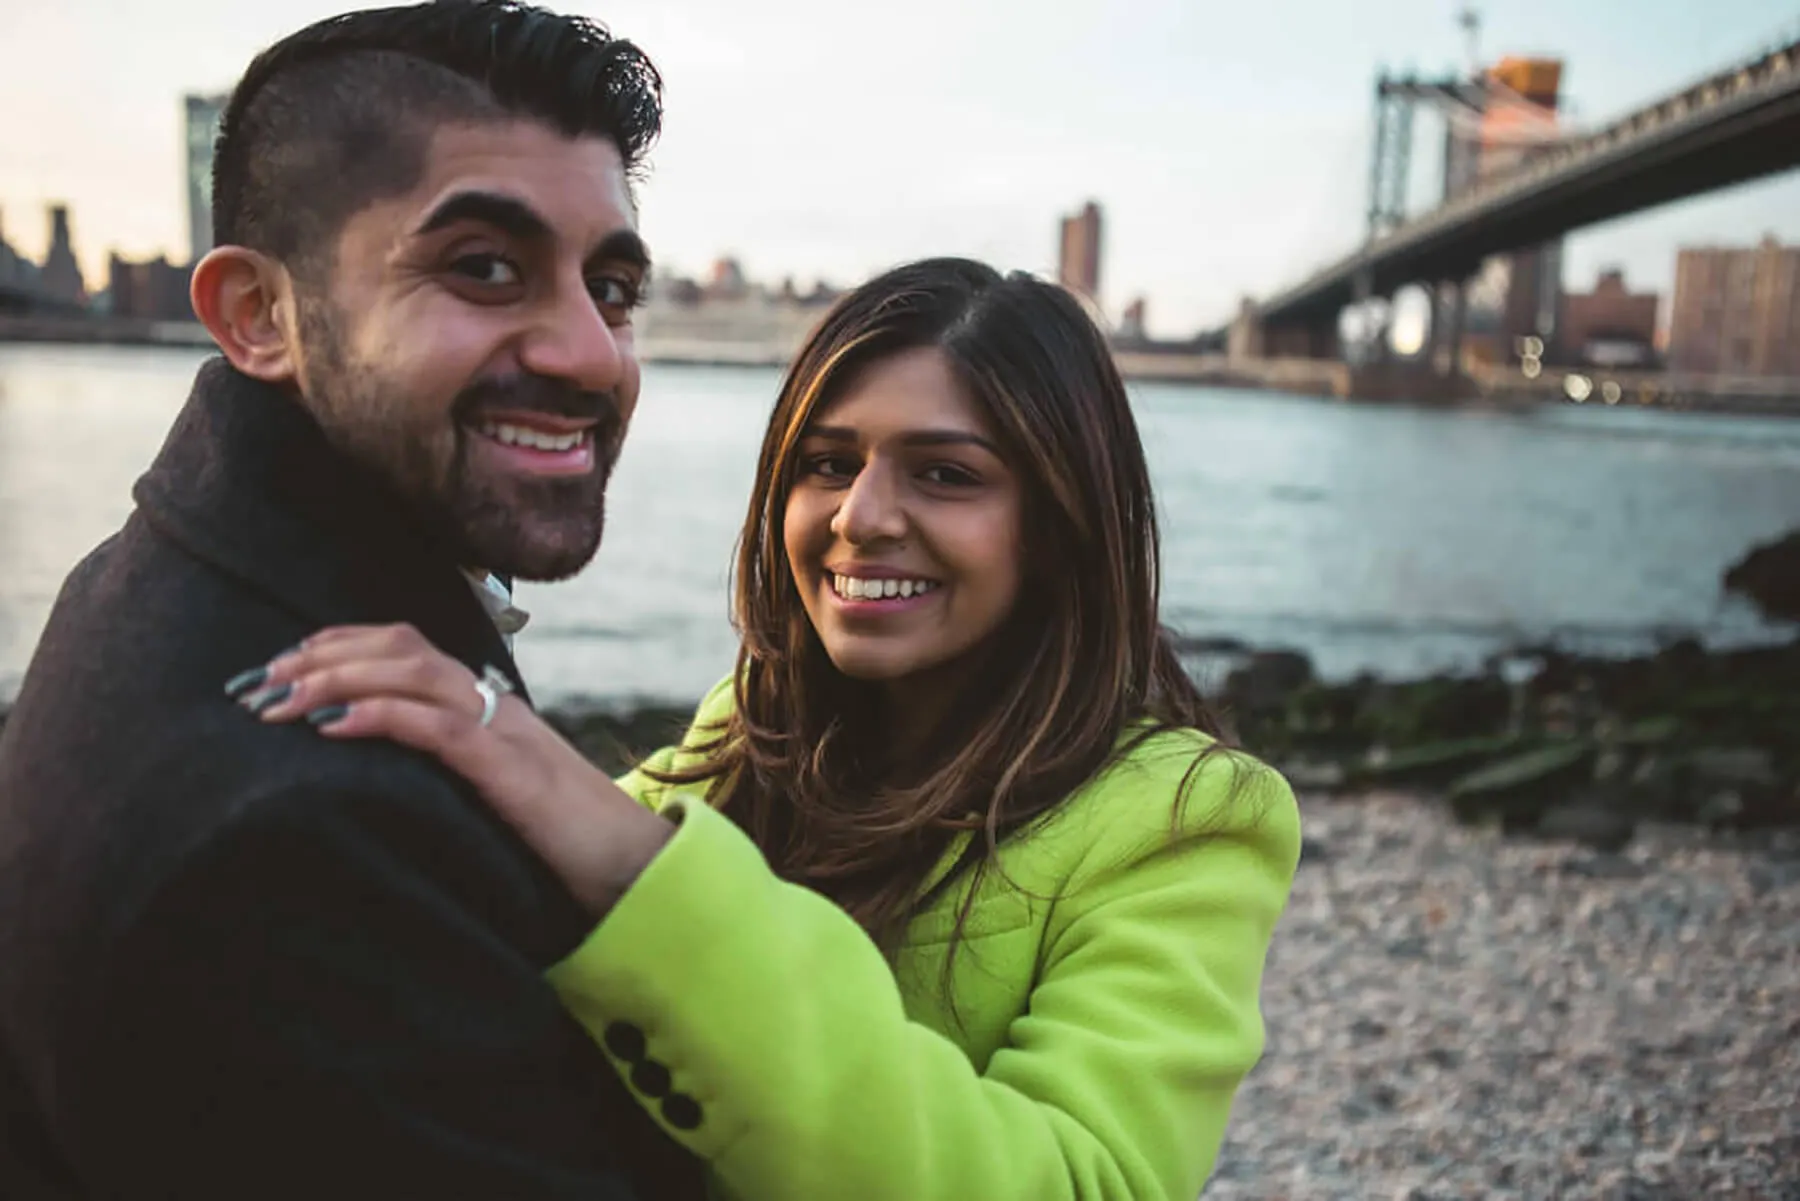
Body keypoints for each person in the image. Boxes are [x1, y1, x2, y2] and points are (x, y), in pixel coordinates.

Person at [250, 257, 1305, 1200]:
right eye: (829, 463)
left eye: (945, 473)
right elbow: (512, 923)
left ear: (1063, 521)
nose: (861, 516)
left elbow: (1080, 1181)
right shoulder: (758, 724)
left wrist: (619, 844)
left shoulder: (1188, 819)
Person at [0, 3, 706, 1197]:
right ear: (257, 317)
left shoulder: (169, 574)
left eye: (613, 285)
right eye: (485, 266)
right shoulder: (297, 835)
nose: (593, 354)